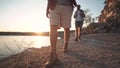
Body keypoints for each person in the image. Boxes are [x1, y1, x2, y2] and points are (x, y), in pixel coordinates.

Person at [46, 0, 77, 67]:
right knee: (53, 26)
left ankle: (66, 45)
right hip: (54, 5)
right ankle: (53, 54)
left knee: (66, 27)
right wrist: (47, 8)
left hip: (68, 6)